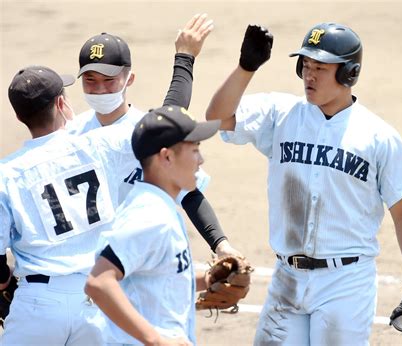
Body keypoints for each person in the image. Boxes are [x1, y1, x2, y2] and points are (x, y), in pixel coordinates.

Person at [206, 23, 402, 345]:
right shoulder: (280, 113)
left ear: (349, 74)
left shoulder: (377, 136)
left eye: (321, 69)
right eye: (306, 66)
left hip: (345, 283)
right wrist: (246, 67)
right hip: (287, 277)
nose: (309, 76)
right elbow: (217, 117)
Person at [68, 14, 241, 258]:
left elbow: (189, 194)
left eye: (109, 80)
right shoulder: (70, 134)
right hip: (85, 267)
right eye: (90, 80)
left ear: (130, 79)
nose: (99, 89)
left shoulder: (143, 129)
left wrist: (220, 244)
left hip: (141, 260)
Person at [0, 65, 137, 345]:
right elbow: (169, 122)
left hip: (39, 305)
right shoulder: (100, 144)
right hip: (99, 299)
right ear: (62, 104)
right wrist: (185, 59)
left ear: (18, 116)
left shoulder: (7, 174)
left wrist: (5, 278)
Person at [85, 106, 220, 345]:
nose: (201, 160)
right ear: (167, 157)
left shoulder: (160, 206)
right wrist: (157, 341)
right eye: (195, 150)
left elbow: (160, 275)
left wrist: (210, 279)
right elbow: (99, 282)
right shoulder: (150, 216)